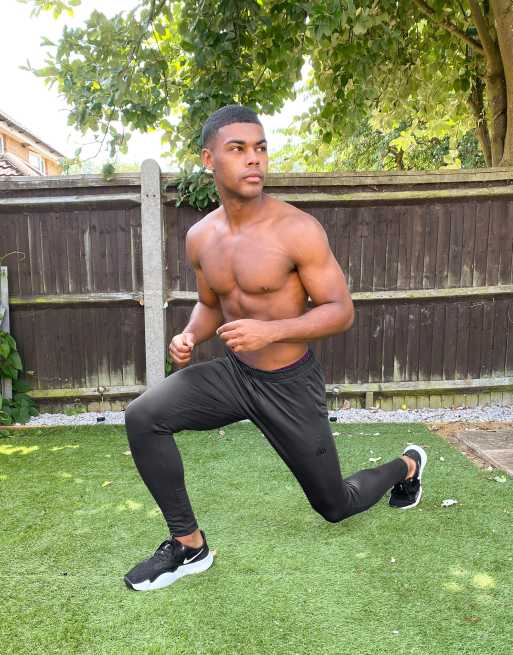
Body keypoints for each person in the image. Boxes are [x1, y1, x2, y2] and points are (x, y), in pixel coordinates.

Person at [123, 105, 427, 592]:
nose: (254, 159)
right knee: (143, 416)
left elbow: (341, 311)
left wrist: (272, 332)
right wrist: (189, 336)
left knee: (334, 505)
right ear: (209, 159)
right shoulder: (201, 237)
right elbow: (209, 305)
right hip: (234, 375)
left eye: (260, 148)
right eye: (238, 149)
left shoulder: (296, 230)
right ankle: (188, 546)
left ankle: (407, 466)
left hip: (289, 382)